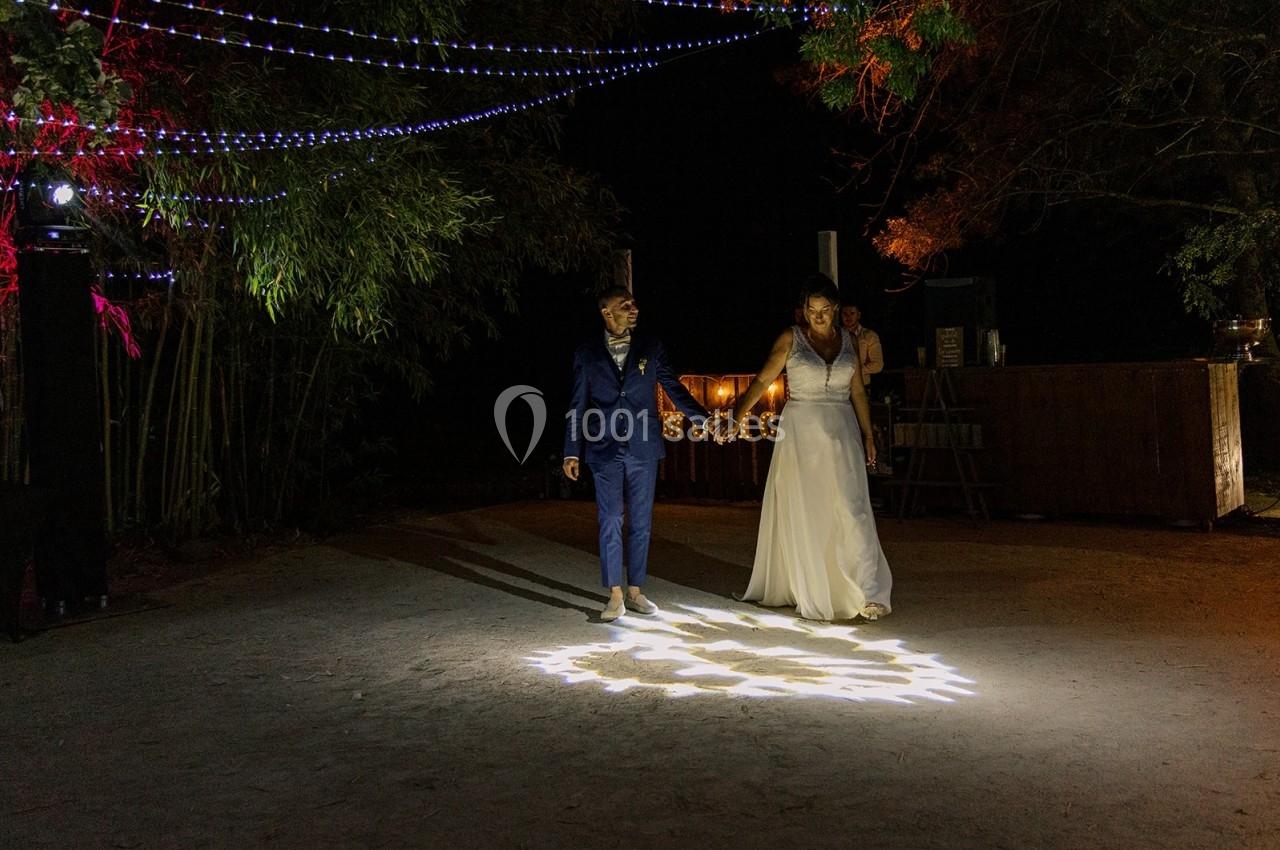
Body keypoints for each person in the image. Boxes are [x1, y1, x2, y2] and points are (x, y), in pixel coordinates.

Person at [729, 274, 893, 621]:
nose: (818, 316)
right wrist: (737, 416)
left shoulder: (849, 340)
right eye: (812, 310)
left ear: (835, 309)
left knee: (853, 508)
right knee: (812, 510)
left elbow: (858, 390)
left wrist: (868, 434)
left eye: (825, 309)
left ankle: (870, 590)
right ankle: (816, 585)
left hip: (843, 431)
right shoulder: (791, 338)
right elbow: (763, 379)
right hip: (802, 433)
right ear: (804, 310)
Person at [563, 285, 711, 622]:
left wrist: (701, 418)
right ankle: (615, 595)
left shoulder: (650, 346)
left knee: (641, 522)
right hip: (602, 446)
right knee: (610, 519)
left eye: (634, 304)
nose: (634, 309)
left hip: (643, 445)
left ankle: (636, 591)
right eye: (625, 305)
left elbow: (672, 386)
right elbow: (577, 402)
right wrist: (571, 451)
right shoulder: (587, 352)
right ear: (606, 312)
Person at [840, 301, 884, 392]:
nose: (848, 317)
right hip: (839, 387)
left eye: (852, 313)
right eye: (845, 314)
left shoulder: (869, 336)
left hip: (862, 386)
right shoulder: (836, 336)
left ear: (858, 315)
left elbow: (878, 365)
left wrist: (854, 371)